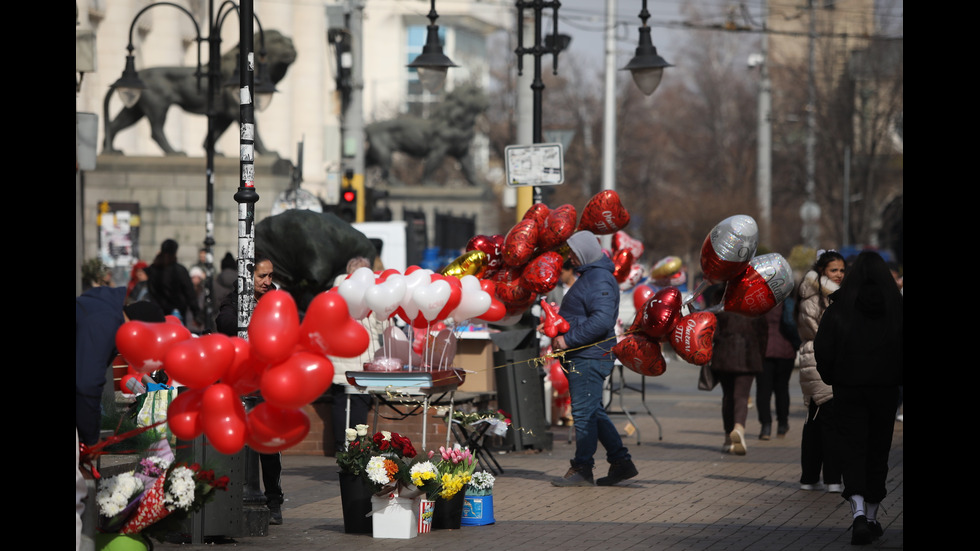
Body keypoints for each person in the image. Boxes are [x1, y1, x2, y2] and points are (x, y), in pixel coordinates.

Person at [815, 251, 903, 545]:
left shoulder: (839, 308)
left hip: (848, 388)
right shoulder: (896, 308)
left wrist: (831, 376)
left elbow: (823, 348)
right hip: (886, 389)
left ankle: (858, 513)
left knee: (852, 448)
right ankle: (874, 515)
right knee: (878, 449)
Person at [543, 230, 637, 487]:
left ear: (585, 252)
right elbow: (586, 316)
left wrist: (567, 339)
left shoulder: (599, 279)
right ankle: (621, 462)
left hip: (589, 356)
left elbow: (601, 321)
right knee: (593, 411)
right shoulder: (592, 276)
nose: (570, 257)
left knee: (584, 415)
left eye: (573, 252)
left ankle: (583, 468)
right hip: (585, 355)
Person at [215, 255, 284, 525]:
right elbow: (226, 323)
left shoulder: (275, 300)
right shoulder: (234, 300)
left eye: (270, 276)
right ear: (248, 277)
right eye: (262, 276)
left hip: (269, 382)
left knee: (269, 445)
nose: (267, 281)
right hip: (240, 382)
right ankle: (230, 499)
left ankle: (274, 501)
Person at [796, 250, 846, 493]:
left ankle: (809, 477)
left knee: (815, 420)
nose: (838, 275)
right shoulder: (820, 296)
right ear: (822, 271)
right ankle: (832, 479)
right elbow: (822, 330)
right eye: (833, 270)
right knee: (829, 421)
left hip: (814, 358)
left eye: (841, 270)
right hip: (820, 359)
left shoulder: (817, 293)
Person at [328, 256, 384, 453]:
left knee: (339, 402)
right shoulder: (371, 293)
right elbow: (381, 324)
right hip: (361, 357)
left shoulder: (332, 293)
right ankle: (357, 445)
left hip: (337, 357)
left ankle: (339, 445)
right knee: (360, 402)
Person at [706, 286, 768, 455]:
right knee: (741, 395)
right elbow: (763, 331)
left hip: (724, 354)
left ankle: (728, 437)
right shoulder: (756, 296)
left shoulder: (719, 296)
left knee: (728, 397)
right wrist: (760, 355)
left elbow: (712, 328)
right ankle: (739, 428)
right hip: (749, 353)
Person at [756, 295, 800, 440]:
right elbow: (793, 324)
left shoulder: (761, 301)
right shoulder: (787, 300)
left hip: (764, 350)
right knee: (782, 389)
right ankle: (782, 424)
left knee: (763, 390)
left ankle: (766, 427)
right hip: (785, 350)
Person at [145, 239, 201, 328]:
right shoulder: (179, 270)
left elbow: (151, 291)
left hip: (158, 314)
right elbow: (190, 293)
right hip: (177, 313)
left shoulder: (153, 269)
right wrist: (196, 314)